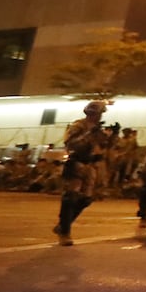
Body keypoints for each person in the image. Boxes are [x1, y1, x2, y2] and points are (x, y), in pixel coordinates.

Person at [53, 101, 112, 246]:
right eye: (98, 113)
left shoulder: (97, 129)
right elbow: (71, 144)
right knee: (70, 197)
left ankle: (63, 225)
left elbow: (104, 146)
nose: (99, 116)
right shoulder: (78, 126)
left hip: (91, 164)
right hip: (77, 162)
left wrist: (112, 135)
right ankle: (65, 231)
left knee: (86, 199)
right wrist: (88, 135)